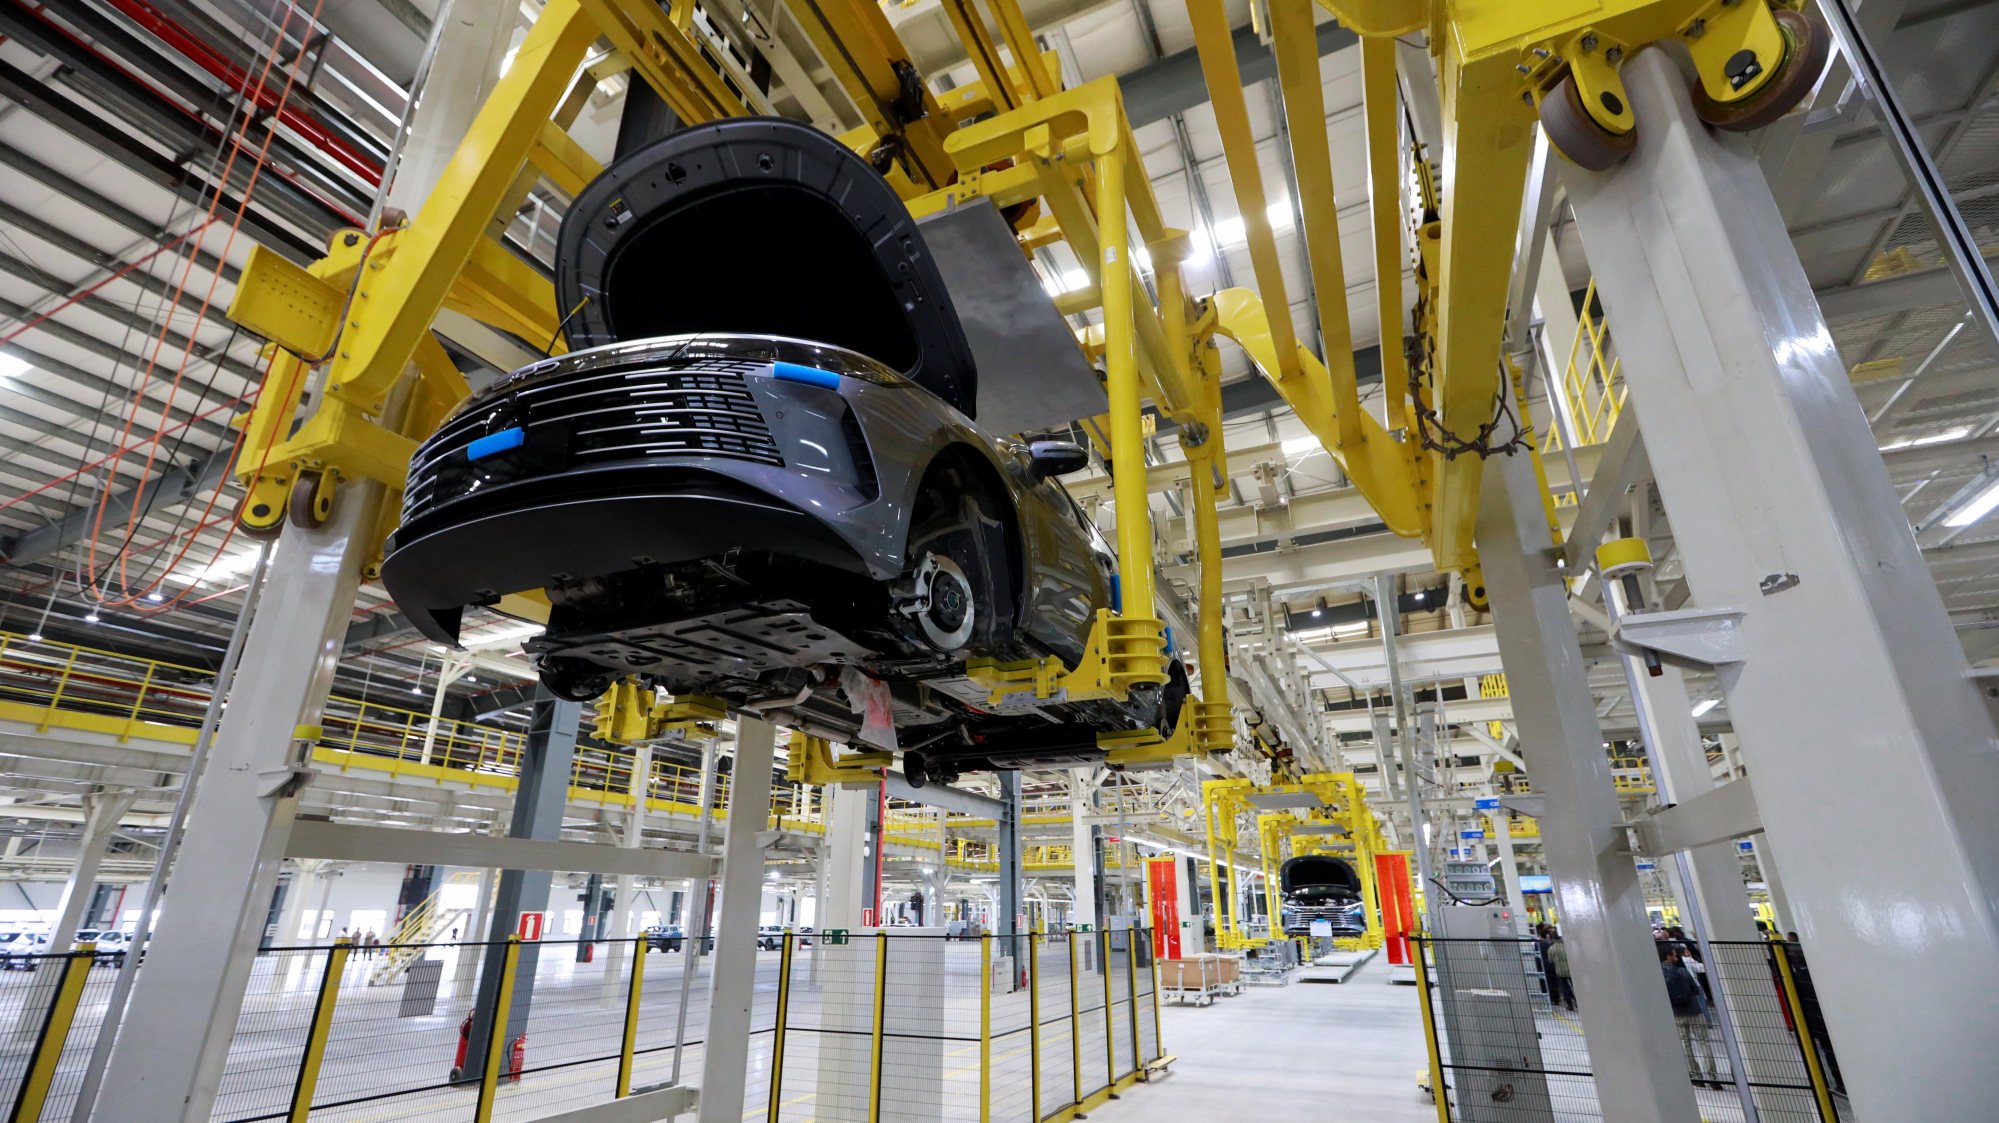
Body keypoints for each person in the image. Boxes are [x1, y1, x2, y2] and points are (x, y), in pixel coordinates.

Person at [1662, 945, 1718, 1087]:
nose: (1676, 956)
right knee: (1703, 1042)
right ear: (1668, 956)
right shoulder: (1682, 971)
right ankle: (1712, 1077)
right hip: (1694, 1011)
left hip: (1676, 1014)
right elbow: (1695, 989)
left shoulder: (1658, 973)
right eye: (1673, 954)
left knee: (1685, 1043)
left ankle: (1695, 1075)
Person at [1545, 928, 1575, 1011]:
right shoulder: (1566, 946)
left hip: (1560, 971)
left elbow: (1550, 960)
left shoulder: (1551, 949)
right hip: (1570, 969)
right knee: (1574, 985)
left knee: (1564, 987)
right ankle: (1577, 1001)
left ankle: (1569, 1004)